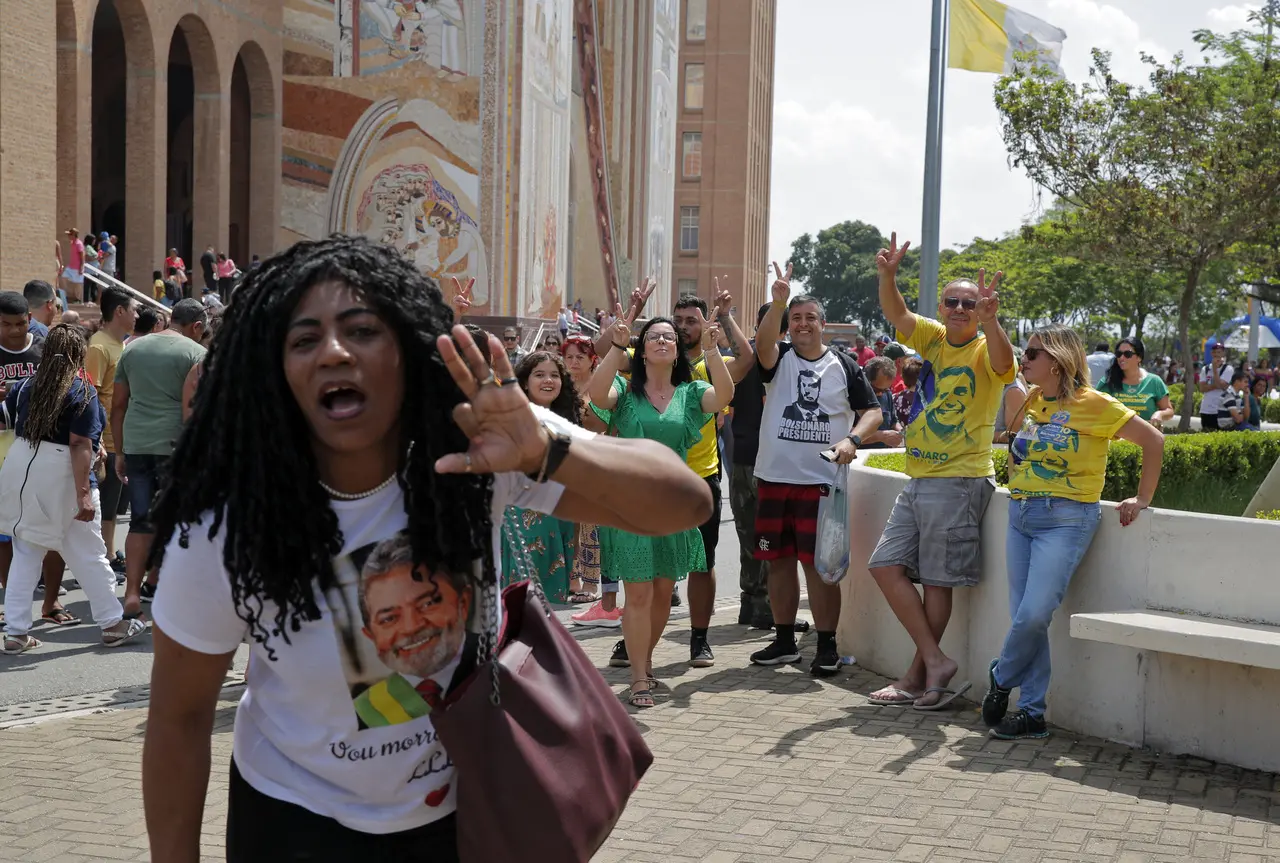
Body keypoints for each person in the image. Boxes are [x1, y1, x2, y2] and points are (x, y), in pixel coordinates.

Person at [141, 235, 711, 859]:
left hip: (469, 814)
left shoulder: (479, 444)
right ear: (275, 369)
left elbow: (685, 503)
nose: (334, 351)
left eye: (362, 330)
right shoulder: (227, 521)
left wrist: (545, 451)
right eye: (303, 340)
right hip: (294, 823)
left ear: (408, 351)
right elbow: (178, 718)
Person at [982, 324, 1164, 739]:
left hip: (1066, 517)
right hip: (1020, 514)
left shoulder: (1095, 403)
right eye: (1025, 353)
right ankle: (1032, 714)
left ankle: (1001, 676)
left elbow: (1153, 441)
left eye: (1033, 354)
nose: (1024, 360)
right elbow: (1017, 449)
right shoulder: (1031, 399)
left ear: (1059, 360)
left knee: (1034, 614)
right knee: (1025, 620)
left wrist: (1142, 498)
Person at [866, 234, 1017, 709]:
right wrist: (888, 275)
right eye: (952, 301)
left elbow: (1005, 364)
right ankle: (934, 661)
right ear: (941, 306)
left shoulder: (985, 348)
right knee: (884, 566)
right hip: (920, 478)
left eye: (969, 303)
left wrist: (992, 322)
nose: (959, 309)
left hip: (959, 479)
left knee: (936, 581)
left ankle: (919, 677)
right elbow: (897, 315)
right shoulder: (932, 338)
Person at [588, 311, 734, 706]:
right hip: (630, 504)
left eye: (669, 336)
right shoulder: (624, 389)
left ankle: (646, 660)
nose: (662, 341)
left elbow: (723, 396)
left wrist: (712, 351)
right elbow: (597, 395)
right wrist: (616, 347)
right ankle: (638, 677)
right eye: (653, 336)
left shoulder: (690, 393)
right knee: (638, 594)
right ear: (642, 349)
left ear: (677, 350)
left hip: (672, 505)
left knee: (663, 592)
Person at [749, 267, 883, 676]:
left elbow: (873, 412)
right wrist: (778, 300)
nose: (802, 324)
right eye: (795, 318)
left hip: (822, 484)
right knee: (778, 562)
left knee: (819, 567)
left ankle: (826, 646)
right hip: (774, 478)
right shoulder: (778, 358)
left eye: (810, 318)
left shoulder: (844, 365)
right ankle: (784, 641)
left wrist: (852, 440)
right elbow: (763, 343)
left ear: (823, 324)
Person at [0, 324, 149, 653]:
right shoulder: (81, 389)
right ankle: (112, 623)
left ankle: (16, 632)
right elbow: (80, 443)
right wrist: (84, 493)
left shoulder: (26, 385)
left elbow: (3, 419)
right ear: (78, 353)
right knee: (89, 554)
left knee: (27, 552)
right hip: (63, 474)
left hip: (23, 467)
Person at [666, 285, 756, 667]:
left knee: (702, 562)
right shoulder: (654, 363)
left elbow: (747, 360)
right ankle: (635, 636)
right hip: (656, 478)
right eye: (679, 320)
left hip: (701, 479)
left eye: (692, 320)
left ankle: (699, 638)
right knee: (649, 564)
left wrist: (725, 319)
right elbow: (606, 351)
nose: (684, 326)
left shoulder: (708, 366)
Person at [112, 299, 208, 618]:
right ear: (196, 326)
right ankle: (166, 587)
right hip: (175, 445)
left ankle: (132, 593)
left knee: (140, 520)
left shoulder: (133, 348)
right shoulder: (196, 353)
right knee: (178, 518)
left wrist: (120, 451)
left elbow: (118, 405)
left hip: (137, 442)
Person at [503, 350, 579, 603]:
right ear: (525, 382)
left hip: (560, 517)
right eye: (539, 375)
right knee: (522, 600)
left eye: (554, 375)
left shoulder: (567, 420)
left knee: (550, 602)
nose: (548, 380)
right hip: (523, 517)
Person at [727, 303, 783, 630]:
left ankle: (753, 602)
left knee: (754, 535)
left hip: (754, 457)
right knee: (762, 536)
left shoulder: (750, 358)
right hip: (759, 461)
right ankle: (761, 604)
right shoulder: (771, 359)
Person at [87, 288, 139, 576]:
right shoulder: (98, 346)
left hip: (122, 439)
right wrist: (96, 441)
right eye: (133, 309)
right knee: (105, 506)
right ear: (119, 311)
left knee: (114, 506)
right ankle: (103, 559)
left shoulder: (123, 345)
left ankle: (108, 554)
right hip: (105, 441)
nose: (137, 315)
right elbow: (89, 394)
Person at [1098, 336, 1174, 428]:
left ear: (1139, 357)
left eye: (1127, 354)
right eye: (1119, 354)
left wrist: (1160, 414)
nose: (1122, 357)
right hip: (1116, 435)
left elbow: (1169, 411)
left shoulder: (1154, 381)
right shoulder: (1107, 381)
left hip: (1146, 435)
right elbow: (1094, 408)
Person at [993, 346, 1029, 444]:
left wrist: (978, 435)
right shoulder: (997, 385)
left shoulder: (1013, 391)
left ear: (1019, 369)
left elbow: (1011, 436)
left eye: (1007, 365)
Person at [1198, 343, 1233, 430]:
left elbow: (1221, 385)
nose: (1216, 354)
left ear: (1223, 353)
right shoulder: (1205, 369)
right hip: (1206, 409)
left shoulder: (1228, 369)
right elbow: (1202, 388)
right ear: (1211, 353)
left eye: (1219, 352)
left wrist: (1214, 369)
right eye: (1214, 352)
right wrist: (1217, 385)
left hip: (1220, 410)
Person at [62, 228, 86, 303]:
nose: (68, 236)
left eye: (69, 235)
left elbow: (82, 256)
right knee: (63, 278)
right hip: (70, 267)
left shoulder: (79, 244)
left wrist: (81, 267)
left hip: (77, 267)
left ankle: (78, 299)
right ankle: (66, 295)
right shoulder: (73, 243)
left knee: (77, 284)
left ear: (73, 235)